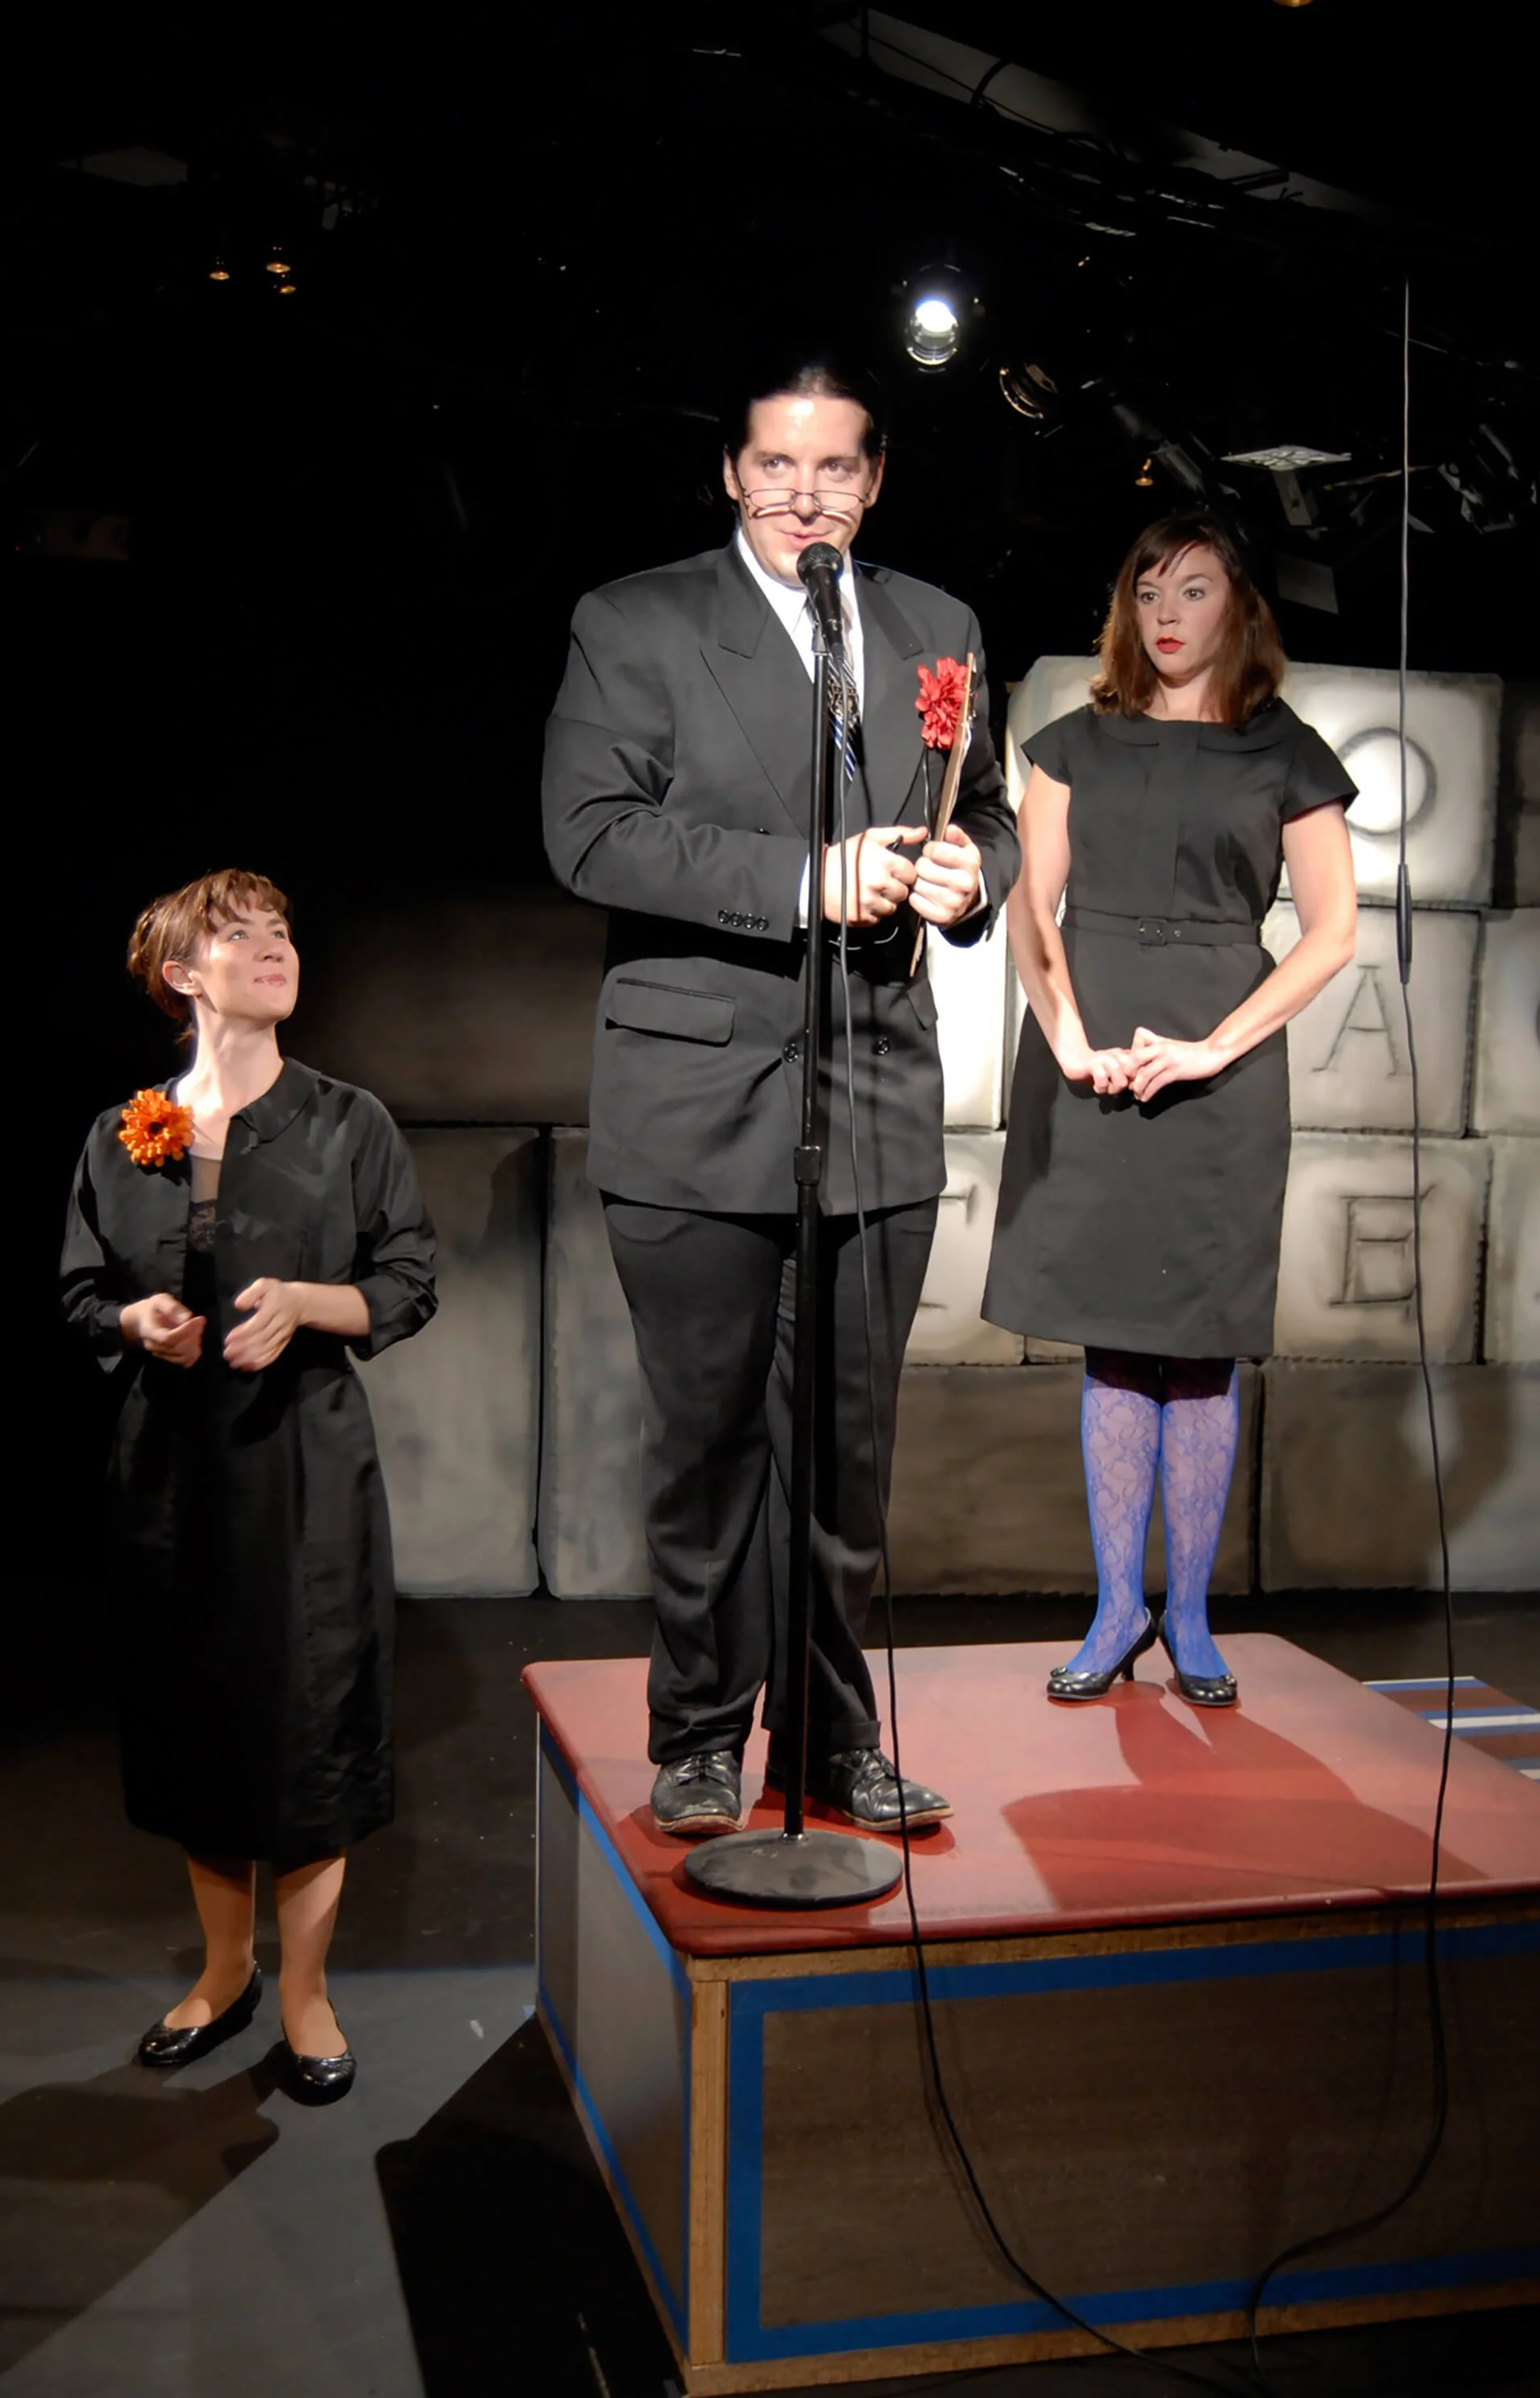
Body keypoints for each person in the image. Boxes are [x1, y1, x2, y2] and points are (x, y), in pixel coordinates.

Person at [543, 349, 1019, 1836]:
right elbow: (592, 834)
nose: (804, 495)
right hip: (695, 1100)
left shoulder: (935, 625)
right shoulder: (637, 619)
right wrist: (808, 878)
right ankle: (697, 1731)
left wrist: (969, 873)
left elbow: (988, 808)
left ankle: (828, 1738)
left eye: (834, 471)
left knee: (844, 1460)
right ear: (733, 477)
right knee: (706, 1444)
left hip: (873, 1091)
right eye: (777, 468)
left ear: (872, 481)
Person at [60, 869, 435, 2098]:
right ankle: (225, 1975)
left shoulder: (346, 1122)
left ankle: (309, 1992)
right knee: (199, 1721)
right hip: (170, 1475)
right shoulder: (124, 1131)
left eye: (282, 929)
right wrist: (136, 1320)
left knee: (312, 1721)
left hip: (306, 1464)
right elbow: (77, 1294)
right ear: (182, 975)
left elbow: (410, 1277)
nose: (274, 946)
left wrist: (309, 1306)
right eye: (239, 934)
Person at [985, 514, 1356, 1705]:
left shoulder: (1283, 749)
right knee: (1108, 1340)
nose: (1167, 609)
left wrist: (1213, 1049)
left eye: (1195, 589)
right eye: (1149, 586)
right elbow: (1031, 914)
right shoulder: (1069, 745)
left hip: (1221, 1066)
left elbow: (1333, 932)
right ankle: (1114, 1607)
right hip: (1089, 1055)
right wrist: (1072, 1042)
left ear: (1240, 609)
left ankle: (1191, 1615)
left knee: (1199, 1350)